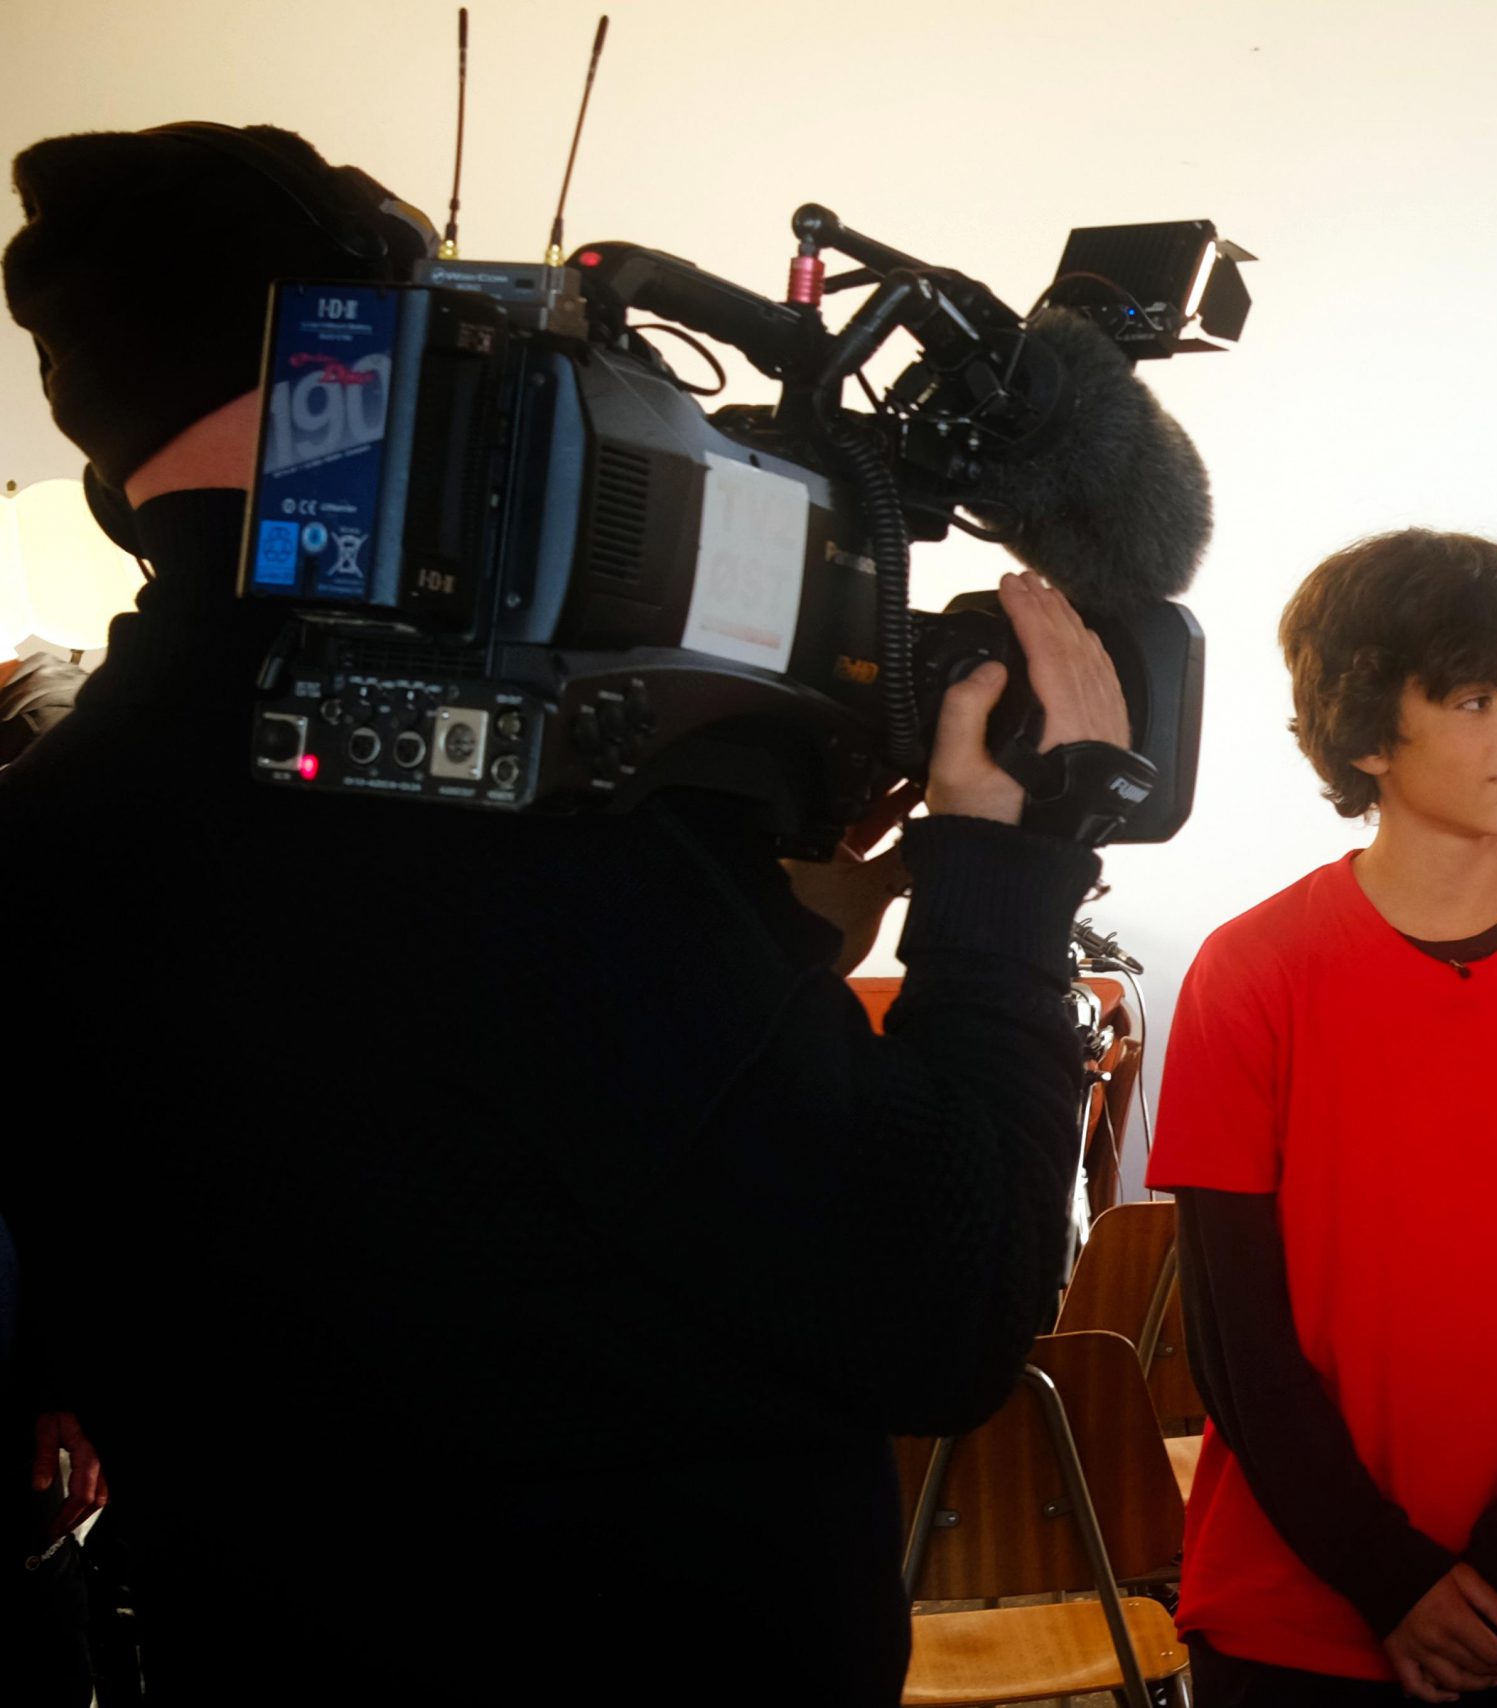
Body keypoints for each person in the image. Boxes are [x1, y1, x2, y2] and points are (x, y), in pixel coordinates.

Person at [0, 123, 1128, 1702]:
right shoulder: (501, 804)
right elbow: (940, 1309)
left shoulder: (47, 826)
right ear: (360, 358)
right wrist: (1005, 867)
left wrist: (769, 931)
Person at [1149, 530, 1497, 1707]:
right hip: (1294, 1604)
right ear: (1367, 735)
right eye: (1476, 698)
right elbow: (1234, 1338)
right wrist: (1390, 1580)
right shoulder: (1249, 973)